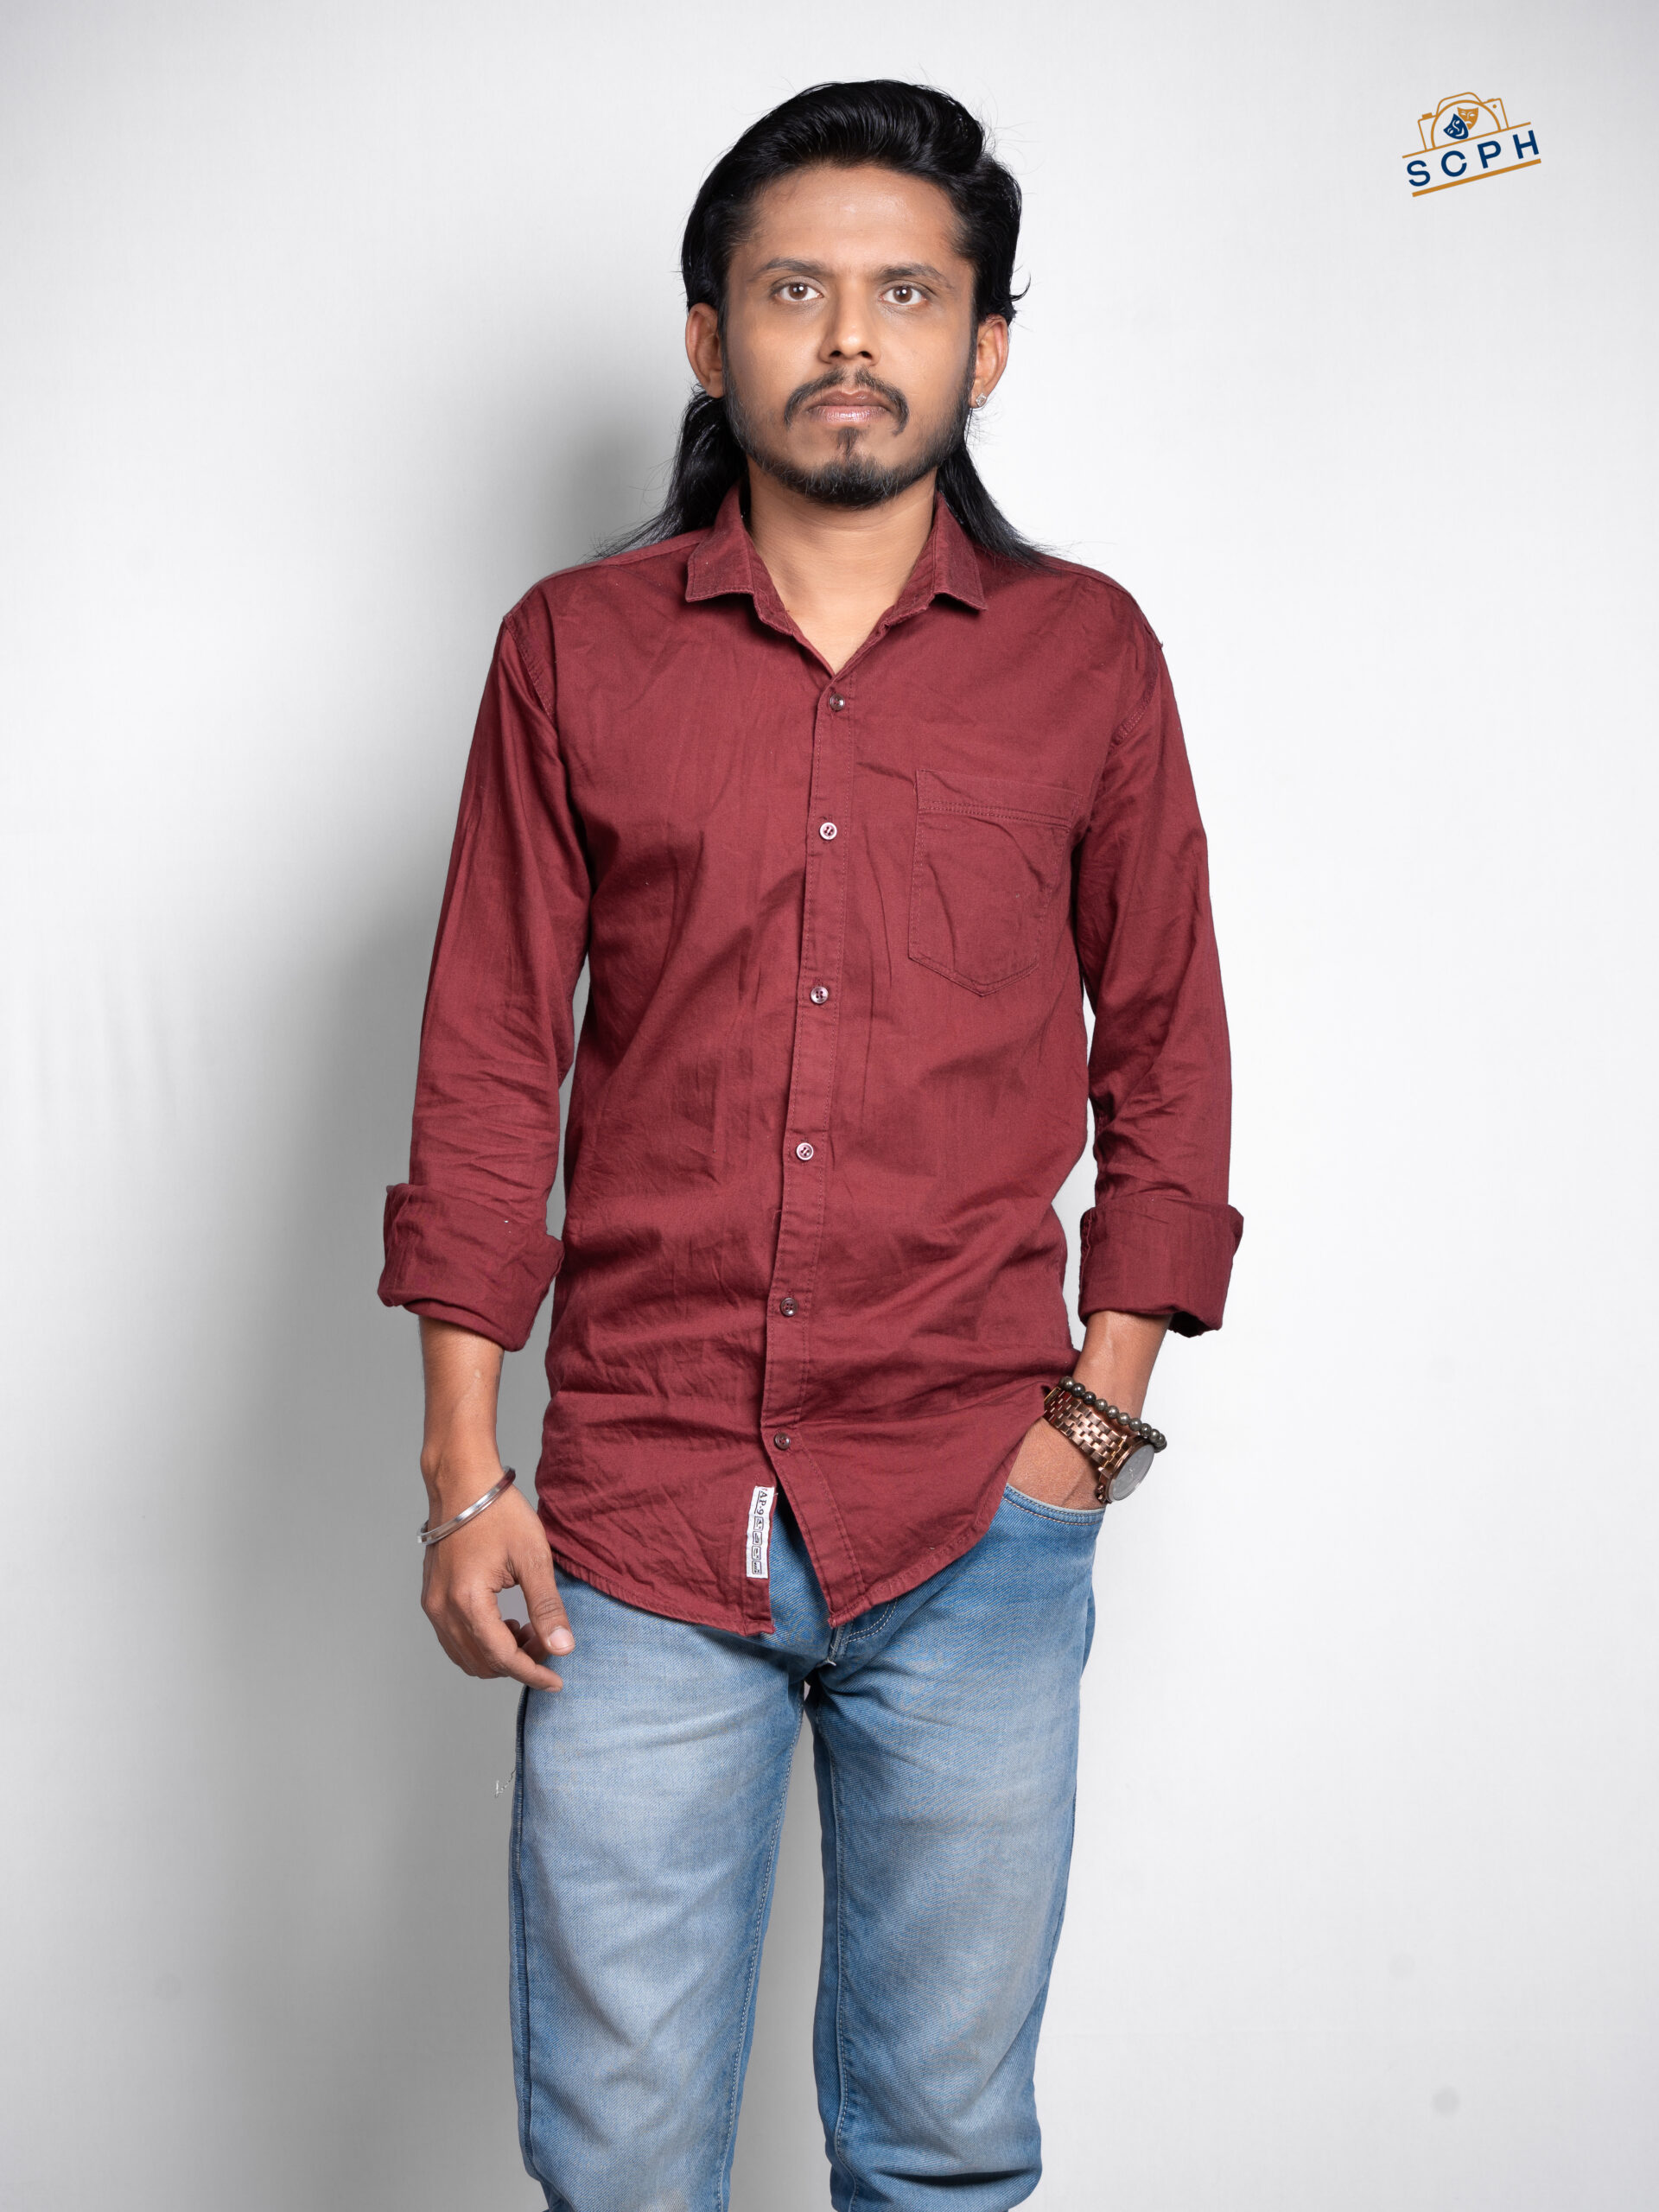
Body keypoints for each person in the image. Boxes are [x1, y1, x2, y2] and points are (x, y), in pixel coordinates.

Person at [378, 78, 1242, 2212]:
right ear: (709, 335)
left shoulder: (1088, 659)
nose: (850, 336)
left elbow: (1170, 1057)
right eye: (793, 290)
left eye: (908, 293)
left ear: (986, 343)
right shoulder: (572, 653)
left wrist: (1087, 1430)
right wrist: (465, 1465)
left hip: (977, 1518)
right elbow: (490, 1059)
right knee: (619, 2163)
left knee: (944, 2152)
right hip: (635, 1522)